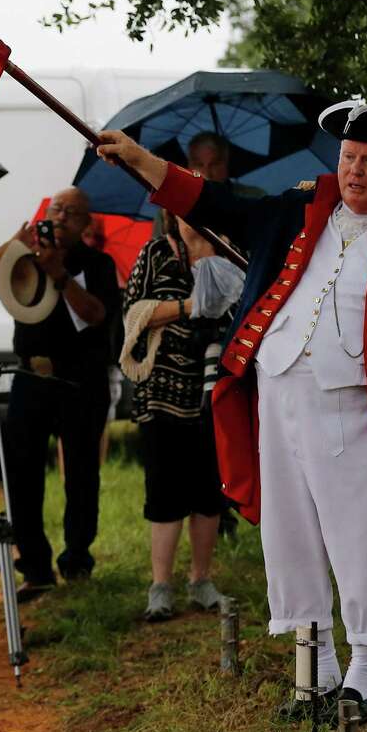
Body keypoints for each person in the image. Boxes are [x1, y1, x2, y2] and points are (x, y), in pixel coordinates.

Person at [98, 86, 367, 725]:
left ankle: (364, 675)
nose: (355, 171)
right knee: (289, 535)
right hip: (277, 395)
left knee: (362, 539)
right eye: (349, 157)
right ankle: (314, 672)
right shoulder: (298, 208)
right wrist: (142, 160)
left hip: (358, 410)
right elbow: (215, 202)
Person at [0, 187, 120, 600]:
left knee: (82, 475)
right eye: (57, 208)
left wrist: (60, 276)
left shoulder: (97, 264)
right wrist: (12, 245)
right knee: (21, 475)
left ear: (86, 225)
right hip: (31, 380)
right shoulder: (23, 260)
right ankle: (35, 567)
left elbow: (98, 316)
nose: (62, 216)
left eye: (72, 213)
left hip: (80, 383)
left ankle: (77, 561)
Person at [121, 210, 229, 621]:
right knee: (164, 490)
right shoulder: (155, 254)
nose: (191, 218)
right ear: (171, 214)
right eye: (183, 209)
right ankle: (160, 587)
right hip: (162, 390)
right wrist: (189, 306)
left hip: (212, 389)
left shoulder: (229, 254)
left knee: (208, 490)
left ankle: (201, 580)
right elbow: (134, 314)